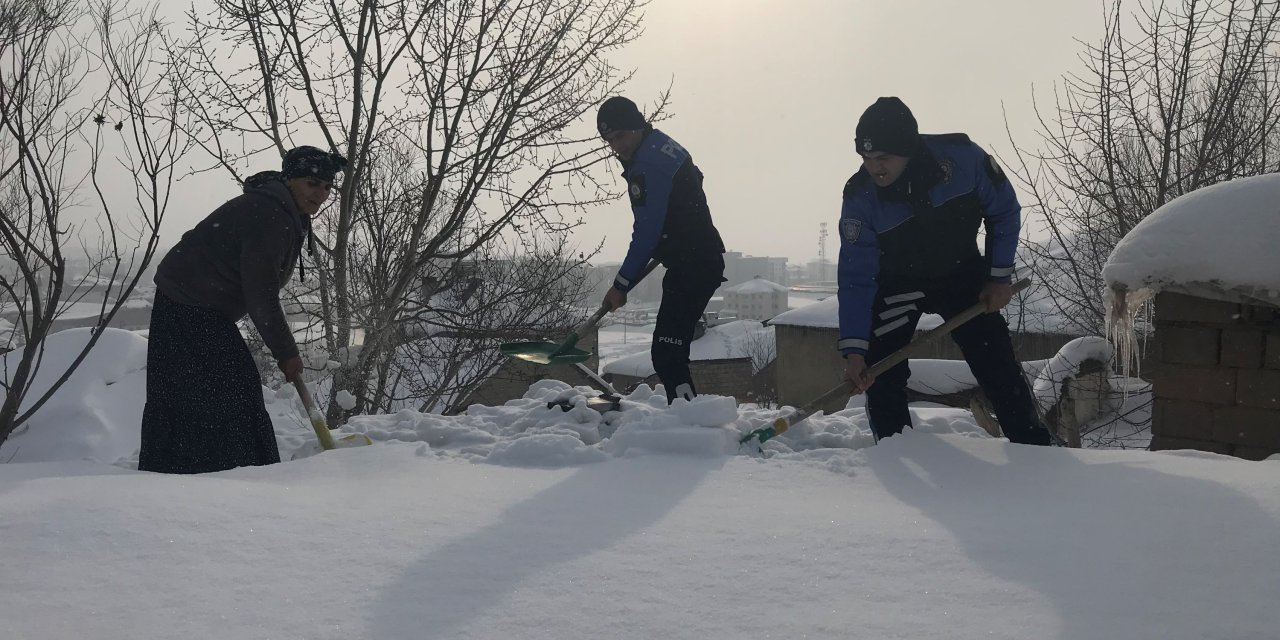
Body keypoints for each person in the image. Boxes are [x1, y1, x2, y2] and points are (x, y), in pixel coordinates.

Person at [836, 97, 1052, 446]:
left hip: (961, 277)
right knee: (882, 371)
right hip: (897, 285)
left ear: (907, 149)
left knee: (995, 360)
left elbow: (1004, 211)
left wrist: (998, 279)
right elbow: (855, 276)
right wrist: (855, 352)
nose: (874, 168)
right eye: (866, 158)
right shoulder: (860, 196)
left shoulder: (962, 159)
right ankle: (894, 448)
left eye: (883, 158)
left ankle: (1034, 446)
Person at [138, 146, 348, 473]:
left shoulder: (283, 210)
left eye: (327, 187)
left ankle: (197, 468)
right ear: (290, 181)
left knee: (201, 392)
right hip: (188, 304)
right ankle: (243, 473)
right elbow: (260, 294)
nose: (321, 194)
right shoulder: (271, 215)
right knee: (233, 391)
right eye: (312, 184)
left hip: (196, 305)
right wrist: (286, 352)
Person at [597, 96, 726, 403]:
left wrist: (621, 284)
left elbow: (645, 232)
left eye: (621, 136)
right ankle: (688, 418)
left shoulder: (647, 166)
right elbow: (696, 178)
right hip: (693, 259)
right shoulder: (663, 146)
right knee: (670, 352)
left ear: (638, 127)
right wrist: (674, 228)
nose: (617, 146)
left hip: (693, 265)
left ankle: (689, 422)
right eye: (610, 140)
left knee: (668, 353)